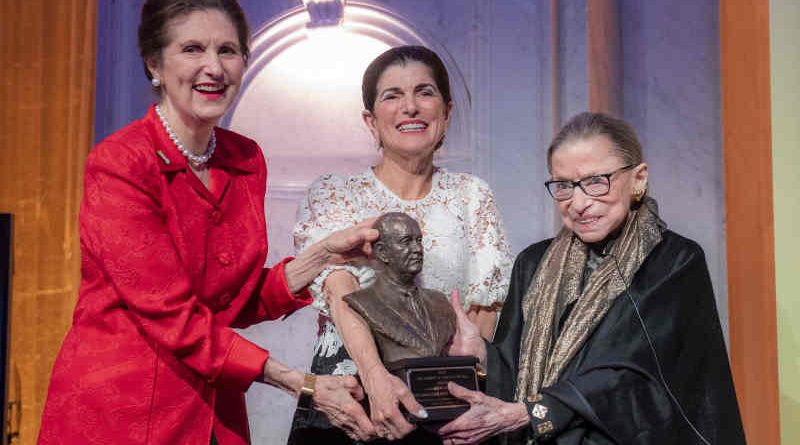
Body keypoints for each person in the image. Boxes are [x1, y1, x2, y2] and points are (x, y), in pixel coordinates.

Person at [37, 1, 377, 444]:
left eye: (228, 50)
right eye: (193, 49)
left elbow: (230, 300)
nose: (213, 67)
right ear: (154, 64)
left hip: (215, 410)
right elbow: (173, 314)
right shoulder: (120, 164)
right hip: (123, 414)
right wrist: (302, 383)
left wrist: (323, 256)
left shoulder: (245, 159)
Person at [439, 112, 745, 444]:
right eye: (564, 186)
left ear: (639, 179)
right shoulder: (533, 263)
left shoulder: (674, 261)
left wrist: (532, 413)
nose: (580, 203)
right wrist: (483, 356)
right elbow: (515, 371)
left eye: (597, 181)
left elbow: (640, 379)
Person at [289, 46, 512, 443]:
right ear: (370, 120)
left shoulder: (472, 195)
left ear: (446, 112)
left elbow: (483, 305)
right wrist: (376, 378)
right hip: (352, 392)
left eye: (424, 93)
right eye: (392, 95)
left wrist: (458, 388)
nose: (410, 107)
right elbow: (340, 290)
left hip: (445, 395)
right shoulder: (335, 193)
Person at [344, 212, 456, 363]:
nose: (418, 249)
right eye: (406, 241)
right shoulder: (363, 302)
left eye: (419, 240)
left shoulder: (439, 301)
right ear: (382, 252)